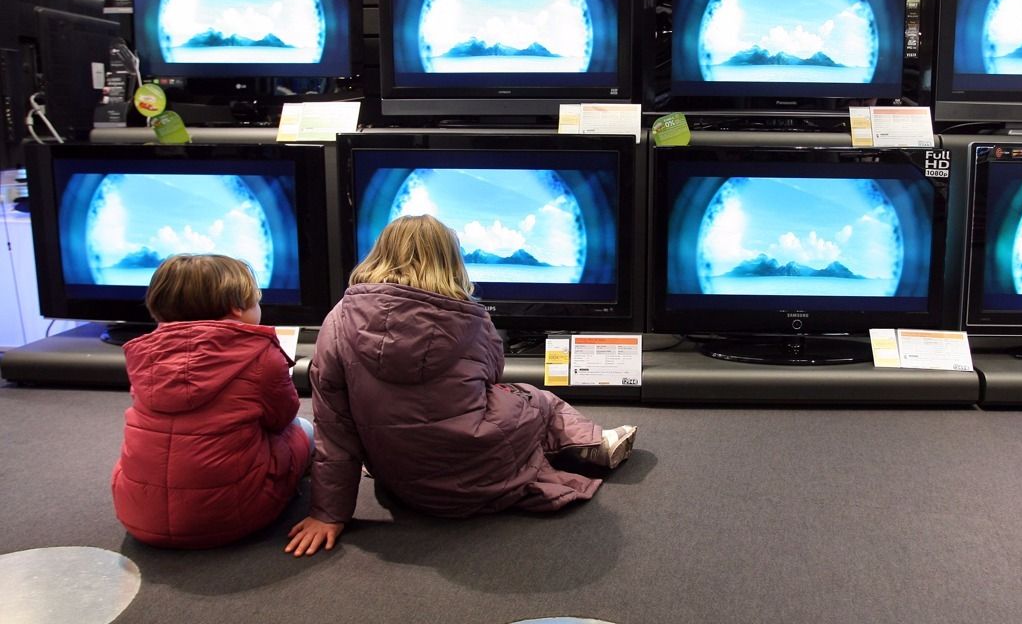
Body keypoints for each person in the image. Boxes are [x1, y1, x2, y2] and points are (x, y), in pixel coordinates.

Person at [286, 214, 637, 556]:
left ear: (379, 255)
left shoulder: (337, 320)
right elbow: (493, 374)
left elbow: (333, 426)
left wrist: (328, 514)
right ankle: (594, 441)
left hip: (403, 484)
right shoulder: (471, 318)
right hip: (480, 475)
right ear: (450, 262)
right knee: (536, 399)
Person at [111, 254, 313, 549]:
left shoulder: (142, 353)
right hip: (233, 517)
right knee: (304, 428)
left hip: (139, 515)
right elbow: (282, 418)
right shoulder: (261, 353)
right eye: (256, 301)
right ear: (237, 308)